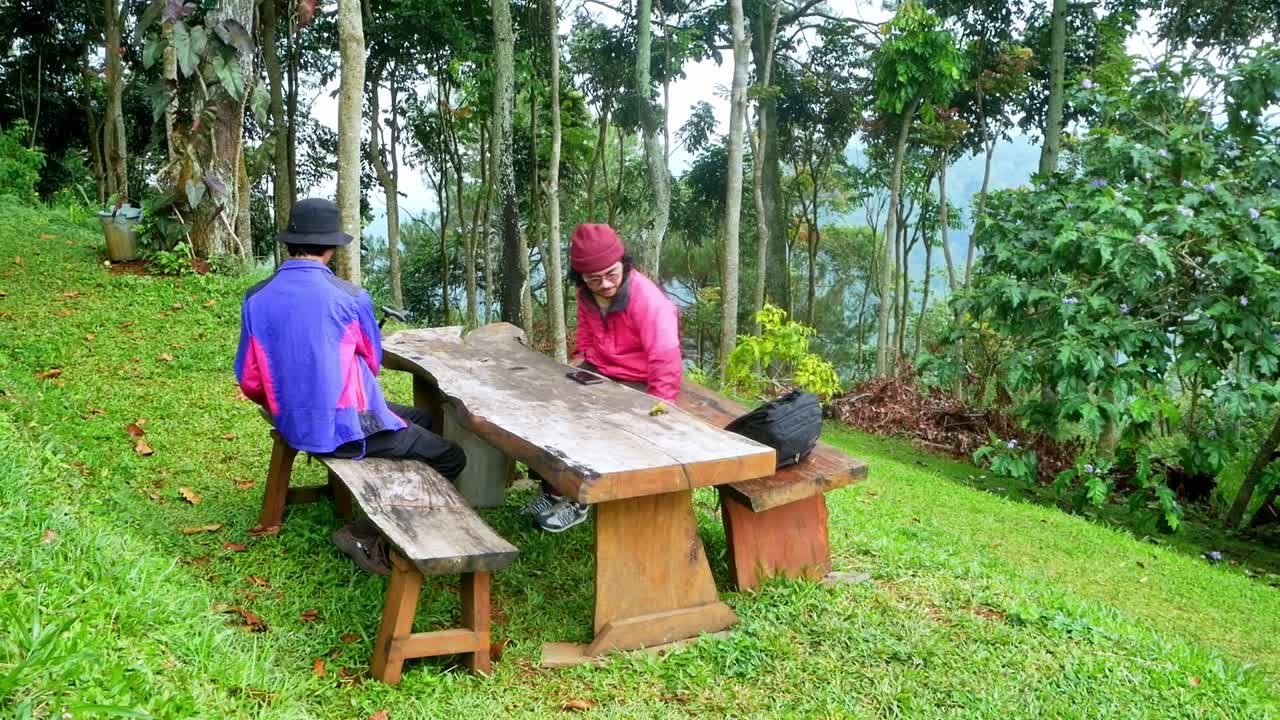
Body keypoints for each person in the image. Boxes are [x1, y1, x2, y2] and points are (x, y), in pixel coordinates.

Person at [234, 198, 465, 575]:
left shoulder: (256, 297)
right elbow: (372, 362)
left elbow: (250, 379)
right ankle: (362, 532)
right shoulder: (352, 297)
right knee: (451, 456)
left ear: (291, 243)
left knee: (423, 417)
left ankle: (404, 507)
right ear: (331, 247)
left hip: (292, 420)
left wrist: (287, 403)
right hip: (345, 428)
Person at [524, 223, 682, 532]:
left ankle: (580, 500)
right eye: (593, 279)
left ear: (624, 263)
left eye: (611, 274)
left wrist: (661, 405)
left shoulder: (648, 300)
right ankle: (554, 489)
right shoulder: (588, 295)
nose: (605, 284)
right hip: (602, 371)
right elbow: (587, 331)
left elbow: (666, 356)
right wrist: (583, 362)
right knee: (546, 410)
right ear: (581, 278)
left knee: (591, 427)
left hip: (639, 380)